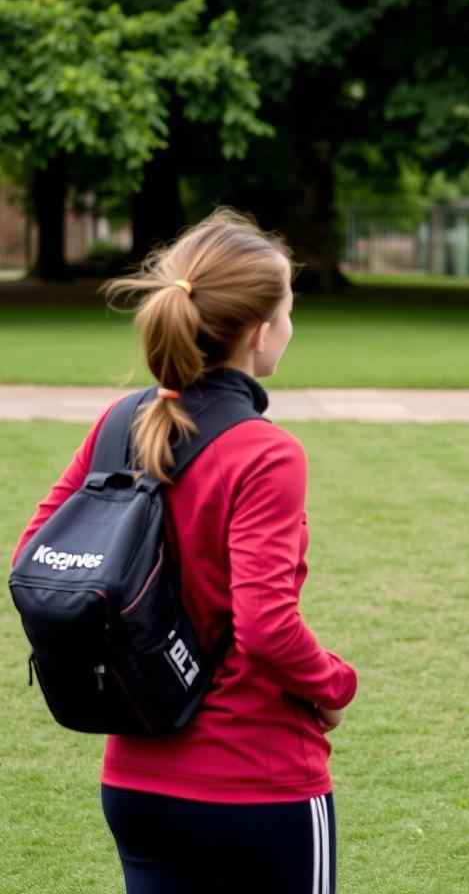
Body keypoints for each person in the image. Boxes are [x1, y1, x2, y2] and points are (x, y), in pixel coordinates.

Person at [12, 208, 358, 894]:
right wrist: (336, 684)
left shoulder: (121, 423)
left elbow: (37, 559)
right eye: (289, 311)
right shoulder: (266, 451)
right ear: (261, 334)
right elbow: (266, 628)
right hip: (259, 785)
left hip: (136, 784)